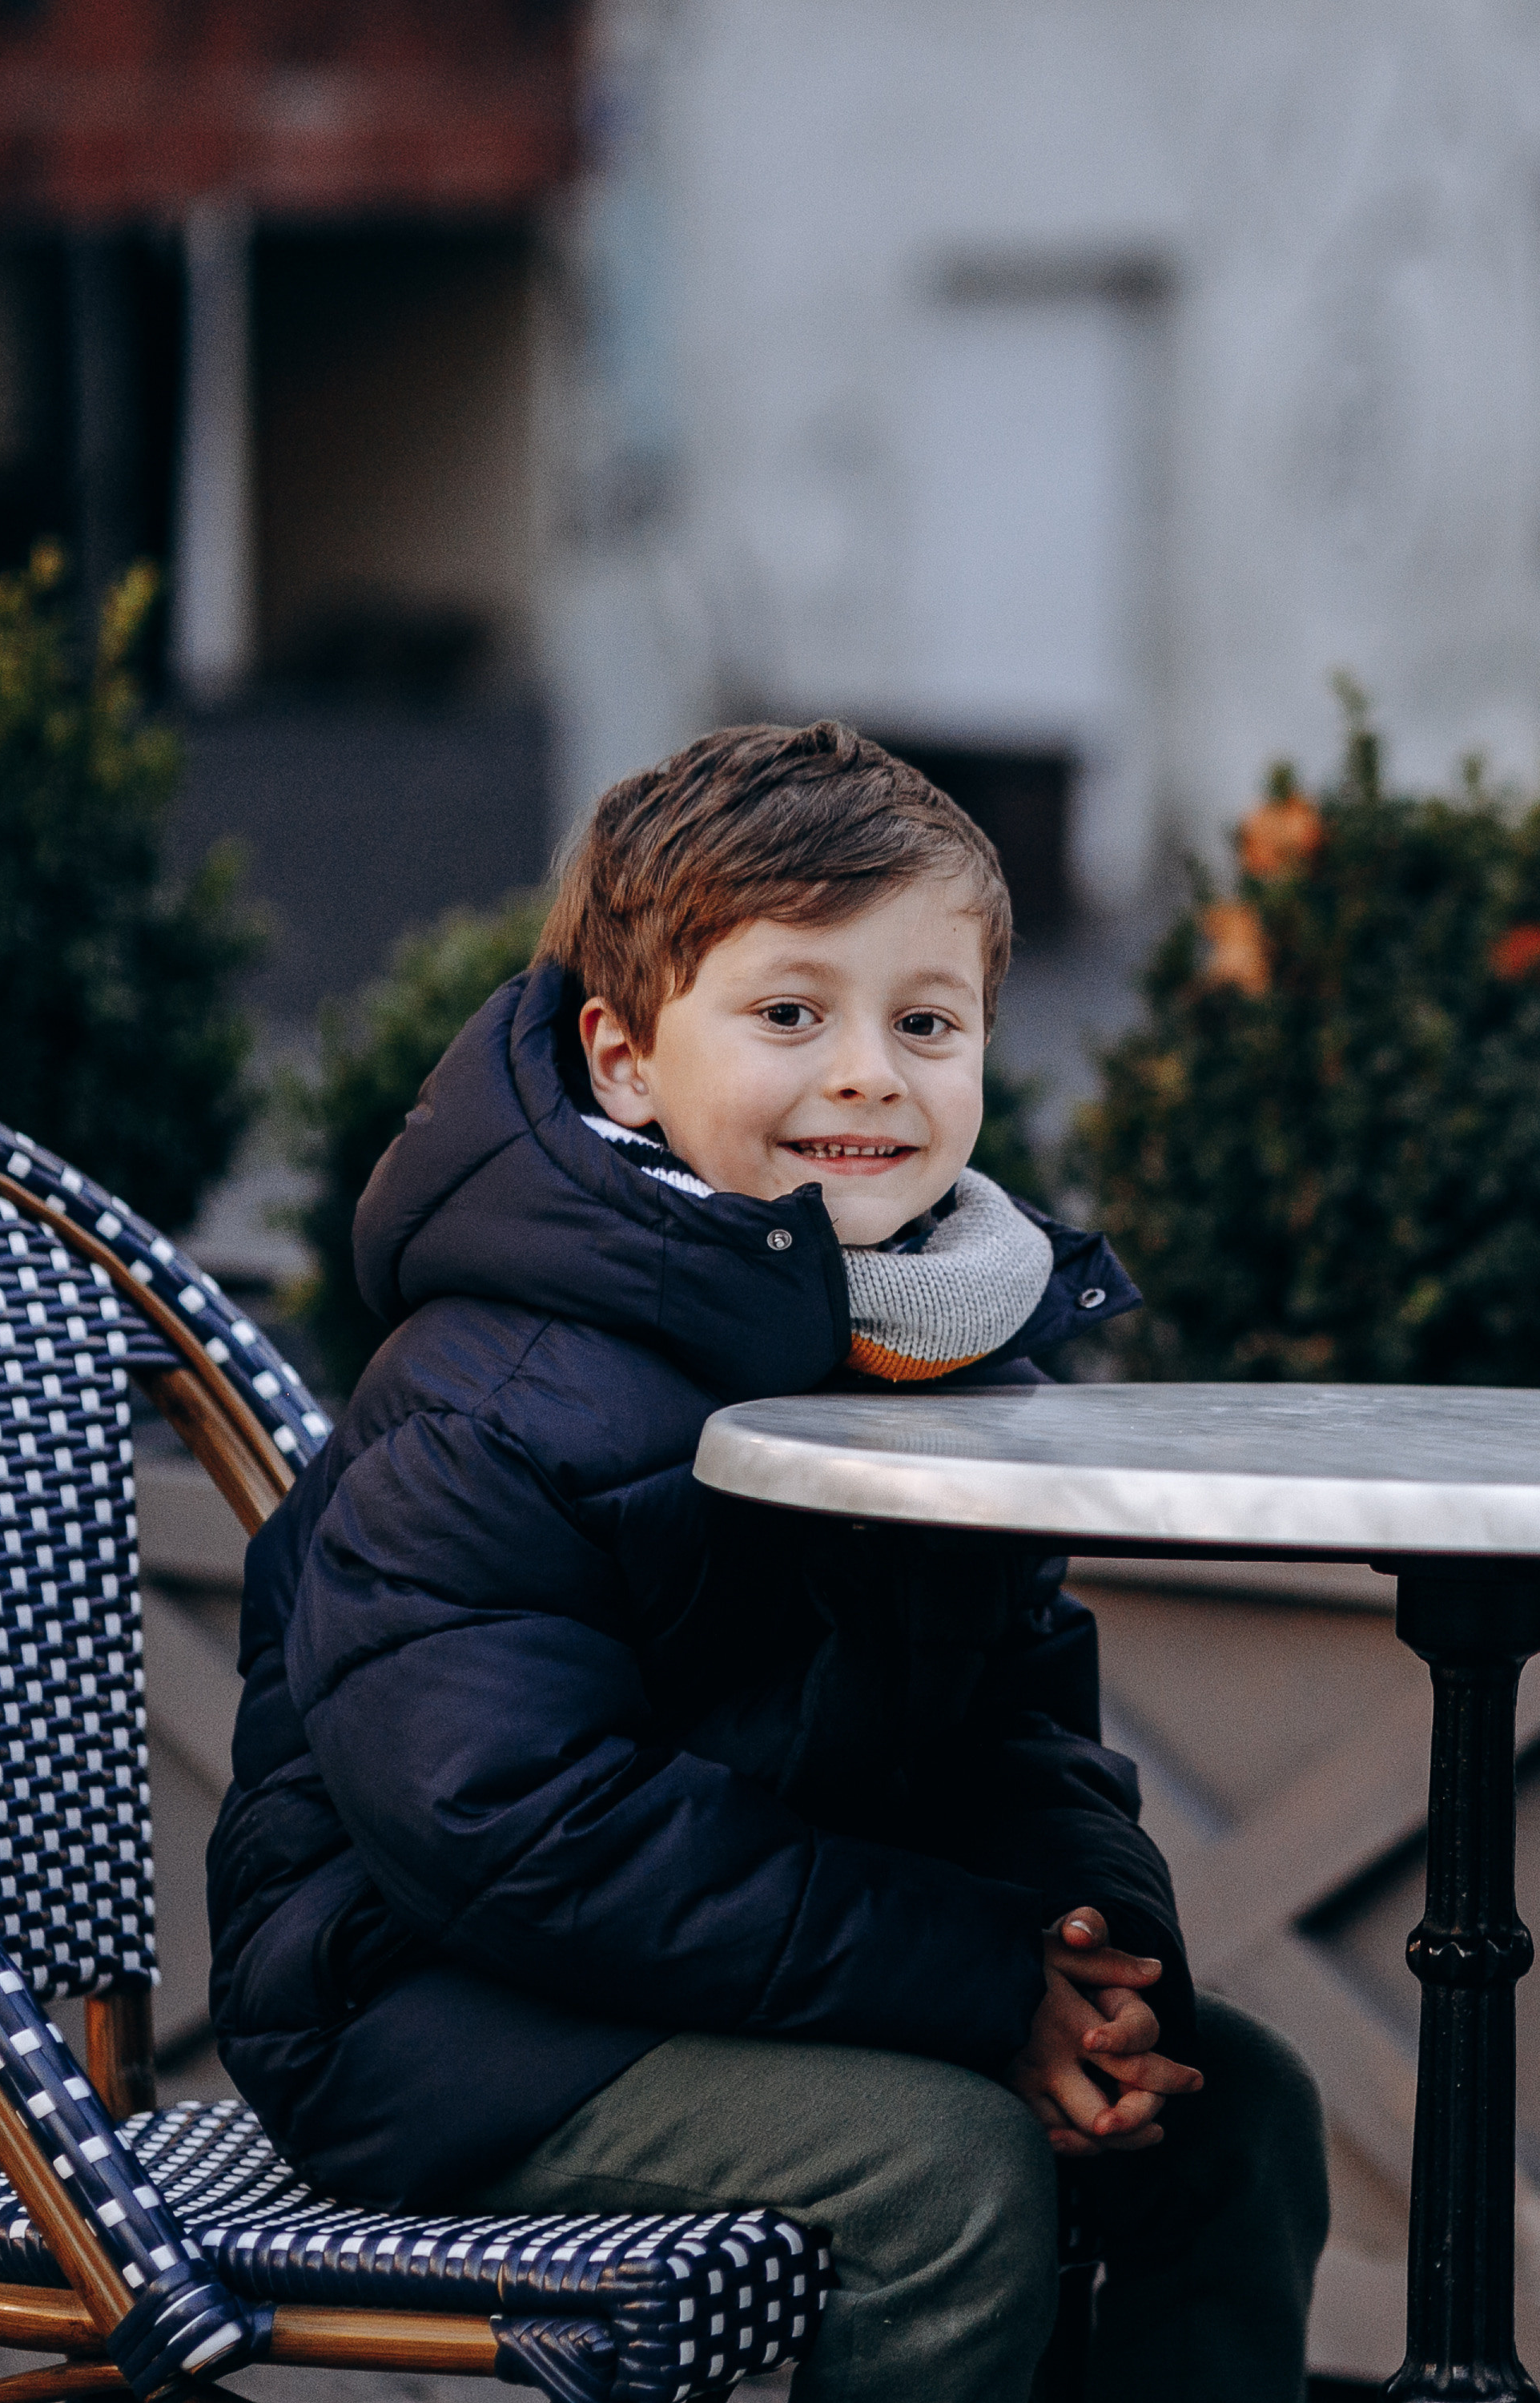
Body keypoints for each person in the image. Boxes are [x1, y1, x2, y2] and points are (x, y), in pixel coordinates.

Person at [207, 720, 1329, 2403]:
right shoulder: (501, 1391)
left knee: (1231, 2110)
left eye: (924, 1022)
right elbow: (508, 1822)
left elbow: (1017, 1728)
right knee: (938, 2171)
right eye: (791, 1013)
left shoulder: (937, 1360)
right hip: (438, 2009)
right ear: (624, 1056)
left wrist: (1093, 1977)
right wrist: (970, 1989)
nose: (869, 1070)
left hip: (778, 1968)